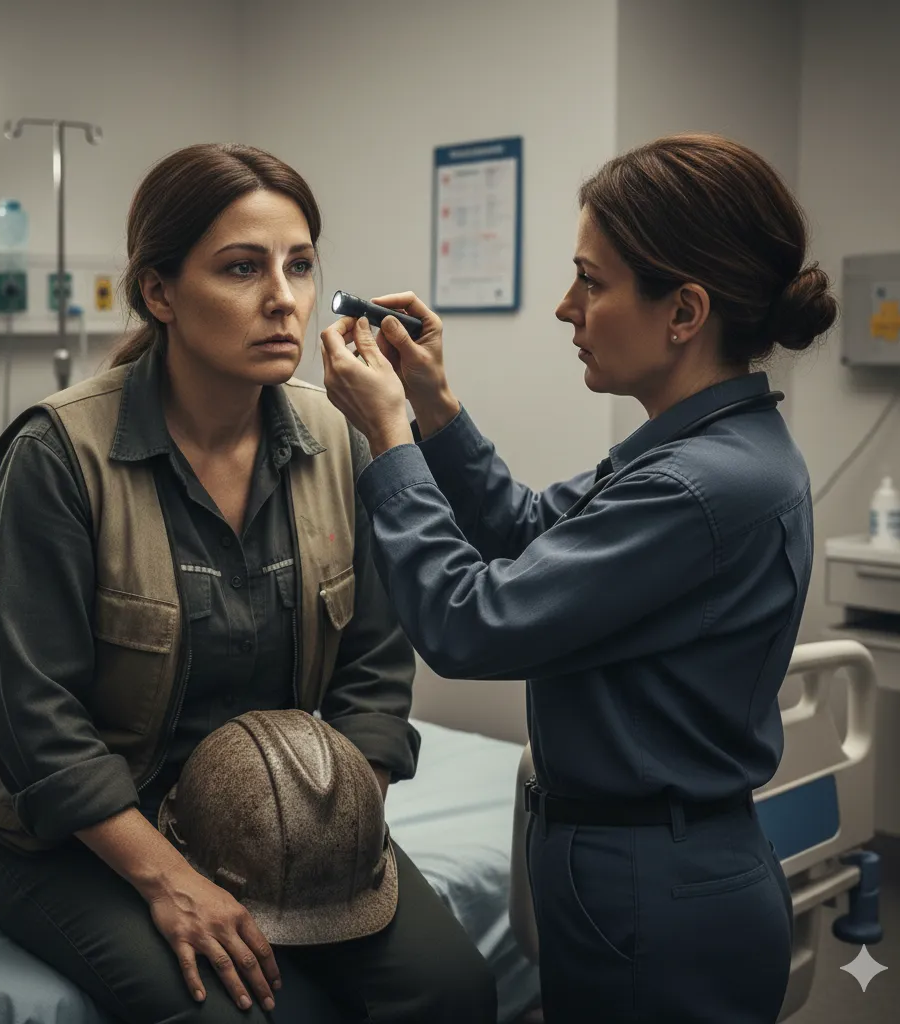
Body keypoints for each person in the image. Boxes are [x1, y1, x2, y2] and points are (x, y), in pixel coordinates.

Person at [0, 143, 497, 1024]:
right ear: (159, 292)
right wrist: (171, 881)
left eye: (298, 265)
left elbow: (375, 671)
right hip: (81, 837)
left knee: (452, 992)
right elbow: (36, 724)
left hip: (270, 819)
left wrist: (320, 831)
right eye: (242, 268)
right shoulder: (59, 457)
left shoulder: (342, 436)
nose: (282, 297)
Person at [320, 133, 838, 1023]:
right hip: (638, 867)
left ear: (684, 312)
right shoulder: (705, 450)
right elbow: (530, 535)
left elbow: (470, 623)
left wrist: (390, 440)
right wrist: (438, 407)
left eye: (591, 283)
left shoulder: (699, 485)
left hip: (653, 889)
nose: (567, 308)